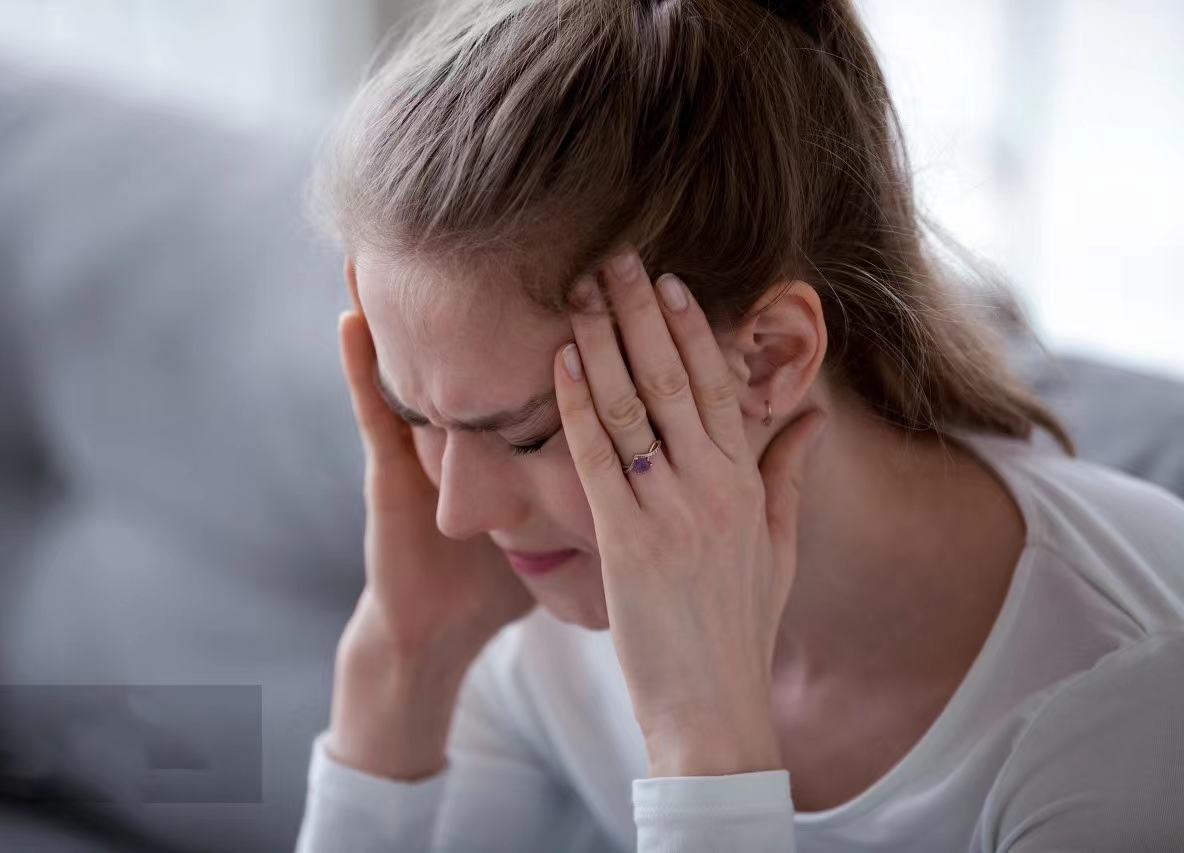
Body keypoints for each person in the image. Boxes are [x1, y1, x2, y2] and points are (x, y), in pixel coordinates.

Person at [294, 0, 1184, 850]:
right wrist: (404, 655)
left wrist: (705, 741)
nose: (459, 512)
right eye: (419, 416)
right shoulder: (541, 615)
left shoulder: (1123, 697)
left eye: (529, 432)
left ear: (767, 359)